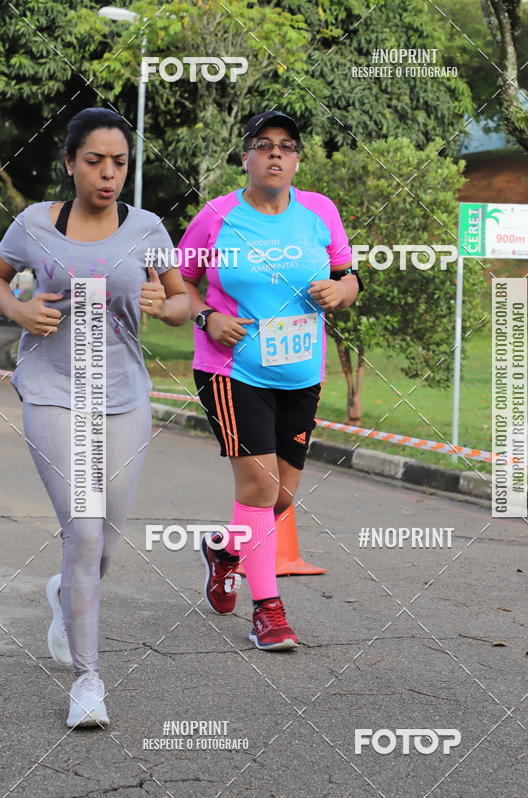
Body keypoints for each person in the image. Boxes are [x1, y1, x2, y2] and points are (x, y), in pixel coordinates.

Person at [0, 107, 189, 726]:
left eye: (120, 163)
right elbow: (1, 280)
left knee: (104, 540)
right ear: (69, 163)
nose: (109, 174)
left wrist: (167, 306)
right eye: (95, 161)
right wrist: (18, 311)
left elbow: (183, 300)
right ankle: (88, 680)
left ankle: (66, 592)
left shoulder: (148, 228)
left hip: (125, 396)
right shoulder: (34, 224)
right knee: (82, 532)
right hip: (54, 390)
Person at [179, 110, 359, 650]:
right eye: (263, 144)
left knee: (280, 497)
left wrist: (342, 291)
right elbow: (179, 280)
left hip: (301, 374)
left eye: (286, 145)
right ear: (246, 158)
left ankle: (225, 551)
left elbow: (348, 275)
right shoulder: (216, 216)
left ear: (297, 159)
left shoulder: (320, 211)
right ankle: (268, 611)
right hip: (232, 369)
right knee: (258, 487)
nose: (275, 153)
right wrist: (206, 317)